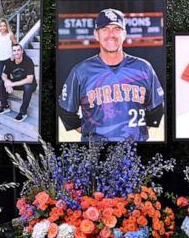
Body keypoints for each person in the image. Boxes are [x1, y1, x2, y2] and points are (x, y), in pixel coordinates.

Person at [57, 8, 165, 142]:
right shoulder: (81, 71)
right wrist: (91, 131)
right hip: (96, 152)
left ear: (124, 34)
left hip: (136, 149)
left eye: (116, 29)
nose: (111, 34)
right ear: (96, 34)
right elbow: (67, 113)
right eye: (105, 29)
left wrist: (135, 133)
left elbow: (156, 111)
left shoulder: (143, 68)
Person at [0, 43, 36, 122]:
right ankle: (5, 106)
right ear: (12, 52)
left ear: (22, 51)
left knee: (27, 87)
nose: (16, 52)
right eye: (14, 50)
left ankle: (23, 112)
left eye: (18, 50)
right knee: (1, 82)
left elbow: (29, 79)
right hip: (17, 82)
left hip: (30, 84)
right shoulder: (9, 61)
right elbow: (3, 75)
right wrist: (7, 82)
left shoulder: (28, 61)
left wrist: (12, 84)